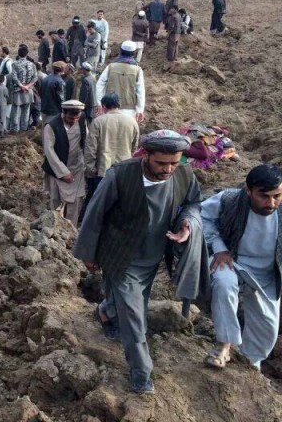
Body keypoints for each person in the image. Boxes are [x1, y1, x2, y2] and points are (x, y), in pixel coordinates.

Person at [73, 130, 203, 394]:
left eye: (174, 163)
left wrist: (188, 223)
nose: (168, 169)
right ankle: (141, 376)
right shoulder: (120, 174)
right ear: (146, 155)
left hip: (153, 255)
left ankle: (106, 312)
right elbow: (95, 213)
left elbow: (193, 204)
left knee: (132, 302)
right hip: (120, 254)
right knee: (135, 315)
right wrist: (88, 252)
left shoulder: (184, 174)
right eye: (161, 163)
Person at [202, 164, 282, 370]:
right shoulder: (230, 200)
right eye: (264, 196)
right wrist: (218, 247)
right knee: (223, 283)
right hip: (233, 262)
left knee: (267, 329)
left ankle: (250, 366)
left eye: (277, 196)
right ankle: (223, 345)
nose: (271, 203)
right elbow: (201, 217)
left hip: (268, 273)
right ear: (249, 191)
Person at [82, 92, 140, 224]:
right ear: (118, 105)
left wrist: (90, 169)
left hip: (102, 170)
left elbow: (91, 149)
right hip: (124, 170)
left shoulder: (98, 122)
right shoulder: (132, 121)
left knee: (98, 203)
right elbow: (134, 147)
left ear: (103, 106)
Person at [43, 99, 87, 227]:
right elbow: (49, 151)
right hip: (56, 169)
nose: (73, 120)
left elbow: (86, 139)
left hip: (77, 167)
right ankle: (54, 228)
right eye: (70, 117)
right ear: (63, 112)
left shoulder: (82, 120)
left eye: (76, 118)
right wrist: (63, 172)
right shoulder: (51, 126)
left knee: (76, 200)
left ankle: (70, 229)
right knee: (55, 200)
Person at [96, 41, 145, 123]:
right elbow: (140, 91)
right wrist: (140, 109)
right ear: (133, 53)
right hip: (129, 110)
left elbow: (99, 85)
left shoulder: (110, 67)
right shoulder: (137, 70)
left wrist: (100, 103)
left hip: (110, 108)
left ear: (121, 51)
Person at [8, 45, 38, 133]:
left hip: (18, 90)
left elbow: (14, 77)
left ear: (18, 54)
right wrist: (27, 86)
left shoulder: (14, 64)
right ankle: (24, 128)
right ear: (27, 54)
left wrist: (22, 86)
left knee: (15, 111)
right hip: (28, 91)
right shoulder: (32, 64)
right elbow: (35, 77)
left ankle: (15, 129)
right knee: (26, 110)